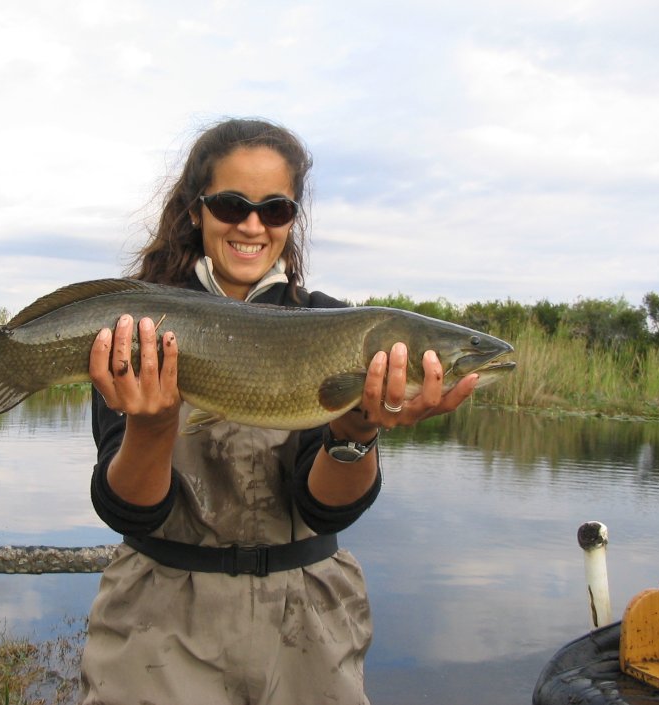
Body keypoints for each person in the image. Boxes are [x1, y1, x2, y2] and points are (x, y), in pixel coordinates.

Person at [81, 117, 478, 704]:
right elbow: (129, 512)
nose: (251, 224)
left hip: (307, 625)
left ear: (293, 219)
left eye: (275, 210)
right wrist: (153, 424)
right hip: (156, 624)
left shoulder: (333, 323)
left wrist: (357, 429)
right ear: (196, 210)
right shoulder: (139, 326)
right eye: (231, 204)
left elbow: (323, 508)